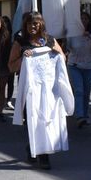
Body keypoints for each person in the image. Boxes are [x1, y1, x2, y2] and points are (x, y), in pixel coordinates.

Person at [8, 11, 70, 170]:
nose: (32, 26)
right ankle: (39, 152)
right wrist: (23, 58)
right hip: (30, 89)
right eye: (29, 24)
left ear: (41, 24)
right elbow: (11, 66)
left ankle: (40, 151)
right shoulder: (20, 42)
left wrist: (56, 53)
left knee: (47, 119)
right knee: (33, 119)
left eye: (35, 23)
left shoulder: (50, 40)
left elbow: (62, 58)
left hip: (49, 88)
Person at [66, 12, 91, 128]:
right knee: (79, 91)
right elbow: (67, 48)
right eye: (81, 19)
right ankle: (79, 116)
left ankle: (85, 116)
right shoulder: (72, 35)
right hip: (74, 66)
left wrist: (90, 38)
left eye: (86, 19)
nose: (84, 21)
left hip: (89, 67)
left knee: (86, 92)